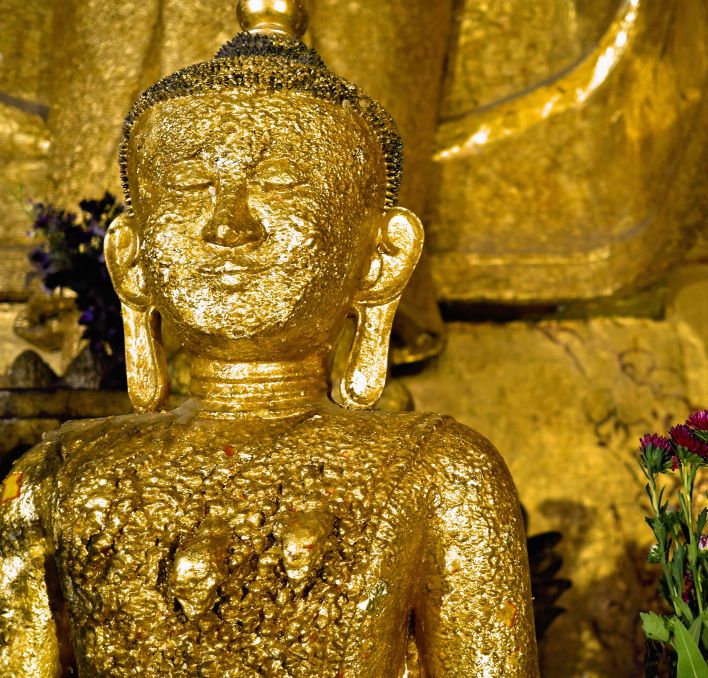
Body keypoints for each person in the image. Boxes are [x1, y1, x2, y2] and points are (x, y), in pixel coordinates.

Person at [0, 3, 538, 675]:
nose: (228, 226)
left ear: (381, 258)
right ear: (130, 260)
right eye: (192, 187)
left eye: (281, 186)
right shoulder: (53, 480)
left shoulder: (441, 473)